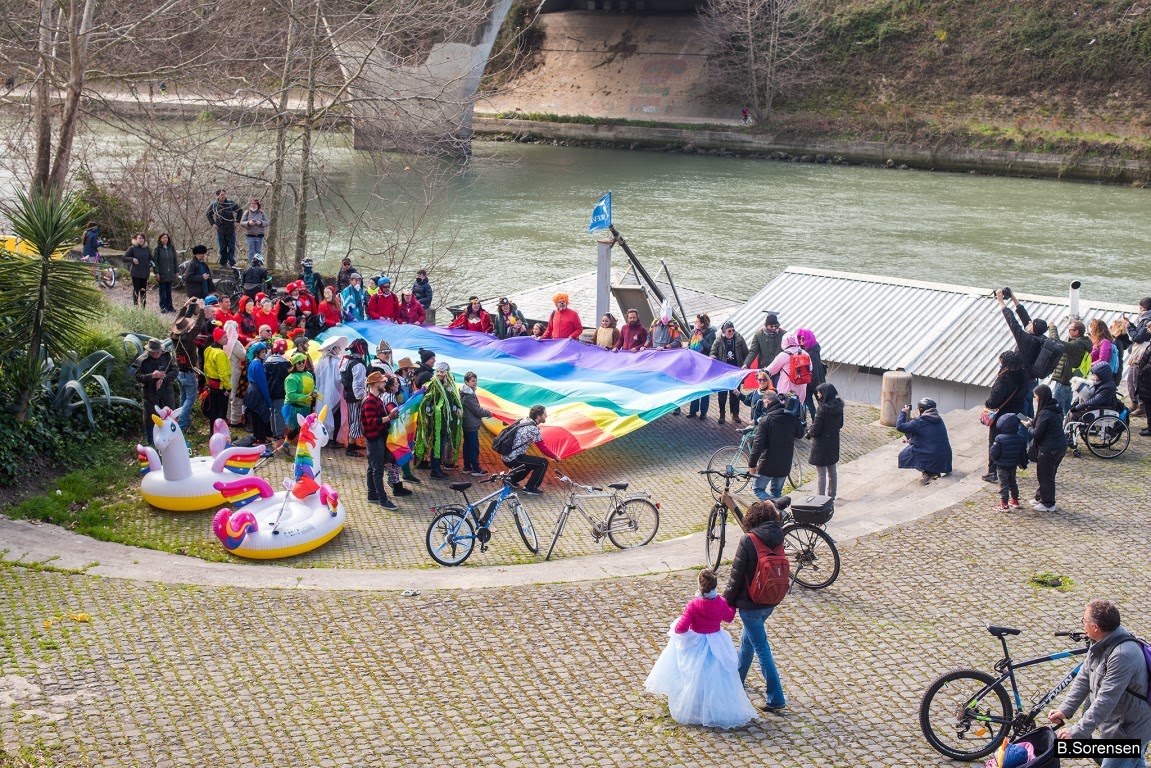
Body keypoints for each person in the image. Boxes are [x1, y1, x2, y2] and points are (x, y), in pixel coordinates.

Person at [644, 568, 758, 728]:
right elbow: (729, 617)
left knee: (694, 674)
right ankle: (711, 705)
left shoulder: (693, 604)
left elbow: (680, 628)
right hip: (716, 642)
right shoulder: (720, 602)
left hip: (697, 643)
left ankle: (693, 703)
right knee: (714, 676)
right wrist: (731, 605)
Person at [1048, 599, 1151, 766]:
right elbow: (1084, 676)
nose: (1083, 624)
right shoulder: (1100, 642)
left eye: (1084, 620)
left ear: (1096, 627)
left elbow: (1106, 700)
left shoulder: (1122, 656)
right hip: (1119, 725)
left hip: (1129, 732)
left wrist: (1077, 732)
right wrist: (1065, 709)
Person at [723, 500, 787, 713]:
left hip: (751, 604)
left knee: (761, 648)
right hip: (771, 600)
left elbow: (735, 576)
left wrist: (725, 603)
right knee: (747, 642)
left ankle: (776, 698)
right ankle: (736, 681)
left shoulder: (748, 540)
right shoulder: (779, 536)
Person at [997, 289, 1050, 417]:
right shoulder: (1041, 338)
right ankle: (1030, 426)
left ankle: (1023, 428)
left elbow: (1012, 322)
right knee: (1029, 406)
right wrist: (1013, 298)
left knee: (1022, 410)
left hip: (1023, 381)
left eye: (1031, 323)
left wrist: (1001, 302)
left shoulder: (1026, 341)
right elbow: (1025, 317)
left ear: (1032, 329)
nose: (1029, 322)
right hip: (1033, 380)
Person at [982, 351, 1029, 483]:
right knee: (1012, 441)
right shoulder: (1023, 375)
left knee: (995, 442)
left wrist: (987, 404)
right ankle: (1011, 469)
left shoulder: (1004, 378)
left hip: (1002, 416)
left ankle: (992, 471)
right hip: (1018, 413)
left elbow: (994, 400)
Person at [748, 393, 804, 500]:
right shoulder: (791, 417)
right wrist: (797, 418)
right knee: (776, 492)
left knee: (757, 489)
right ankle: (777, 508)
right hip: (785, 463)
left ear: (767, 402)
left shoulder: (765, 420)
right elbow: (800, 434)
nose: (764, 406)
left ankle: (773, 506)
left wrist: (752, 464)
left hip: (767, 464)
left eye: (764, 403)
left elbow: (758, 445)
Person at [415, 361, 463, 479]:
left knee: (441, 445)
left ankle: (436, 468)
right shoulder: (432, 384)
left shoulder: (449, 385)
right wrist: (431, 410)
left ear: (447, 373)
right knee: (438, 445)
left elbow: (452, 400)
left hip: (446, 422)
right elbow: (427, 401)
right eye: (438, 371)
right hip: (437, 422)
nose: (440, 374)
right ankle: (435, 470)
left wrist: (456, 408)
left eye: (442, 372)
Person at [361, 371, 399, 510]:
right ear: (376, 384)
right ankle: (383, 499)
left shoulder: (376, 399)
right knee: (377, 470)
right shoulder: (370, 401)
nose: (384, 384)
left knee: (372, 468)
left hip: (376, 438)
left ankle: (372, 494)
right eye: (382, 382)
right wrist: (389, 417)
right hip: (374, 438)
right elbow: (371, 421)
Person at [897, 397, 953, 484]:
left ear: (921, 409)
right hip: (945, 460)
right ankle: (934, 471)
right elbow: (929, 436)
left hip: (932, 456)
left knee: (905, 455)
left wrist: (904, 412)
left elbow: (900, 426)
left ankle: (929, 473)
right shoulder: (939, 420)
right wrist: (912, 440)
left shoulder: (919, 421)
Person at [1029, 384, 1066, 511]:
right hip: (1059, 446)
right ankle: (1040, 497)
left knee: (1045, 476)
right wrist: (1033, 423)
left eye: (1036, 397)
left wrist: (1029, 427)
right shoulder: (1055, 409)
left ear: (1041, 397)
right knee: (1049, 474)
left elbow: (1037, 434)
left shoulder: (1045, 413)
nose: (1035, 399)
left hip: (1049, 450)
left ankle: (1048, 503)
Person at [134, 338, 176, 445]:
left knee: (169, 417)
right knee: (151, 420)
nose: (157, 354)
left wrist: (163, 378)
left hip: (166, 393)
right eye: (154, 352)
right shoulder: (143, 361)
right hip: (150, 395)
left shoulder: (166, 356)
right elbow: (138, 377)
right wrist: (152, 376)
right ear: (149, 351)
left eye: (158, 351)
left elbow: (175, 371)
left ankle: (172, 441)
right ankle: (152, 443)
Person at [498, 405, 548, 495]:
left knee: (529, 462)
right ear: (538, 416)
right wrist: (556, 457)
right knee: (543, 463)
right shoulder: (533, 429)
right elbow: (543, 448)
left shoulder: (523, 420)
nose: (546, 416)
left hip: (506, 456)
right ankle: (530, 488)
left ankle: (511, 480)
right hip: (514, 459)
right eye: (544, 414)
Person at [806, 382, 843, 498]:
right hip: (833, 442)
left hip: (821, 444)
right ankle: (831, 496)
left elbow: (816, 428)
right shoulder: (839, 407)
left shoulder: (822, 409)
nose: (818, 395)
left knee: (821, 473)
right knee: (832, 471)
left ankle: (820, 498)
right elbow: (840, 424)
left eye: (819, 392)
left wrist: (809, 434)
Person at [170, 302, 202, 434]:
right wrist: (202, 310)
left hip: (180, 371)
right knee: (190, 399)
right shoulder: (188, 338)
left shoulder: (173, 336)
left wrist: (185, 306)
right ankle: (182, 423)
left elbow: (179, 320)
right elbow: (198, 325)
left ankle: (184, 421)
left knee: (183, 398)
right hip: (188, 372)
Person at [1048, 319, 1091, 415]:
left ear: (1076, 332)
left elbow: (1057, 343)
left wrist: (1052, 328)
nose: (1068, 331)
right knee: (1066, 410)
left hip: (1063, 382)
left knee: (1055, 409)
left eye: (1070, 329)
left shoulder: (1077, 345)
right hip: (1069, 382)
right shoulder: (1082, 343)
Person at [711, 321, 748, 425]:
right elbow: (712, 352)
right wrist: (713, 357)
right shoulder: (719, 340)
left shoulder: (739, 339)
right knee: (722, 394)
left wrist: (745, 364)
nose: (731, 332)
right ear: (724, 332)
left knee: (735, 393)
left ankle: (735, 414)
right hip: (723, 372)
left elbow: (746, 353)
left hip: (736, 371)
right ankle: (722, 414)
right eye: (729, 331)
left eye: (733, 330)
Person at [990, 412, 1027, 511]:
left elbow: (993, 453)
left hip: (1002, 466)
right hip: (1013, 465)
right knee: (1013, 482)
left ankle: (1004, 504)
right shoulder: (1020, 438)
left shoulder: (999, 438)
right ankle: (1015, 500)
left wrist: (995, 460)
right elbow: (1023, 453)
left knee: (1004, 484)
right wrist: (1023, 464)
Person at [314, 335, 347, 447]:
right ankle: (332, 440)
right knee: (336, 415)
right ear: (333, 349)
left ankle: (323, 437)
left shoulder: (321, 361)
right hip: (334, 392)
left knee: (323, 413)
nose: (339, 350)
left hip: (322, 392)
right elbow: (338, 379)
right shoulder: (336, 362)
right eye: (337, 347)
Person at [765, 330, 810, 405]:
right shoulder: (805, 353)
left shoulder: (783, 355)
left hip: (786, 390)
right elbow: (810, 368)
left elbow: (770, 370)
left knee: (785, 409)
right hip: (801, 389)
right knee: (799, 408)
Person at [460, 372, 492, 477]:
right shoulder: (469, 396)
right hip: (471, 424)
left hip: (467, 423)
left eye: (476, 380)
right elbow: (477, 410)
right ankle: (476, 469)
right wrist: (488, 413)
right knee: (474, 447)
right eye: (473, 381)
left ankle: (467, 466)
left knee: (467, 446)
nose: (475, 383)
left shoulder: (465, 393)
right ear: (466, 382)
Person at [341, 338, 369, 457]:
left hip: (348, 394)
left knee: (353, 420)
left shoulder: (347, 360)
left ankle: (352, 444)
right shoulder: (358, 365)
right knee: (355, 421)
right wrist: (361, 397)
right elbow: (357, 384)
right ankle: (350, 448)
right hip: (355, 397)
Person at [243, 342, 273, 449]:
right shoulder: (259, 365)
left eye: (265, 351)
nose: (265, 354)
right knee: (259, 416)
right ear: (256, 353)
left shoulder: (252, 363)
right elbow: (263, 384)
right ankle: (260, 438)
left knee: (255, 416)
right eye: (262, 352)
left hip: (251, 391)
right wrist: (268, 401)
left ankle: (258, 437)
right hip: (257, 393)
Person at [686, 314, 716, 420]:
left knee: (704, 389)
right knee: (694, 388)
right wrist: (688, 348)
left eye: (697, 322)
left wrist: (702, 339)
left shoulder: (711, 333)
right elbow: (689, 344)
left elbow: (712, 348)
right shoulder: (693, 332)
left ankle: (703, 412)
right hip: (694, 364)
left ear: (702, 324)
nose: (695, 323)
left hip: (705, 365)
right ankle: (693, 410)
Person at [283, 352, 316, 445]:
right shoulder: (291, 378)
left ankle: (302, 446)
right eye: (299, 362)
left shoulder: (308, 374)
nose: (302, 364)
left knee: (305, 428)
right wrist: (306, 397)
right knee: (296, 429)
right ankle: (285, 445)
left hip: (306, 406)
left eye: (303, 362)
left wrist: (315, 391)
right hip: (295, 407)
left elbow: (313, 386)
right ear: (294, 364)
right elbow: (291, 395)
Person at [264, 338, 291, 450]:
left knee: (272, 412)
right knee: (279, 413)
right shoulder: (285, 362)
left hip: (269, 390)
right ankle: (280, 434)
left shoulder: (267, 361)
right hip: (280, 391)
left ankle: (274, 432)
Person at [202, 327, 232, 425]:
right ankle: (220, 432)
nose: (227, 339)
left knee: (213, 411)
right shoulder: (220, 353)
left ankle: (212, 431)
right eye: (224, 337)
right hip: (221, 386)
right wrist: (228, 388)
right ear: (218, 339)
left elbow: (206, 368)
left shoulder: (208, 349)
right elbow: (223, 373)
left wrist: (207, 383)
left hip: (211, 384)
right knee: (221, 412)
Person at [744, 312, 785, 383]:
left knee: (778, 389)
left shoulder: (784, 334)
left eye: (775, 326)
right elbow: (753, 352)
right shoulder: (759, 335)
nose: (774, 328)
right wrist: (746, 363)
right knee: (764, 389)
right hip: (764, 369)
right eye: (771, 326)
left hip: (779, 369)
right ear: (766, 325)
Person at [796, 328, 826, 421]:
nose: (801, 341)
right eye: (799, 338)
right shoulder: (808, 349)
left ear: (808, 339)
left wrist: (816, 385)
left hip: (813, 381)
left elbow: (814, 371)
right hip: (809, 381)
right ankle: (816, 421)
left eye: (803, 339)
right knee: (809, 402)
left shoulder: (812, 352)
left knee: (818, 403)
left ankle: (817, 421)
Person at [206, 189, 241, 268]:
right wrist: (213, 224)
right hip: (220, 229)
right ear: (217, 195)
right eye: (222, 194)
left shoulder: (230, 203)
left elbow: (240, 210)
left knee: (231, 247)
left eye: (224, 194)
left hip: (230, 228)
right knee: (222, 247)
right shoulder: (215, 205)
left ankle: (231, 263)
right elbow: (208, 214)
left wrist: (237, 221)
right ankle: (223, 263)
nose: (223, 196)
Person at [123, 232, 152, 308]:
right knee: (136, 290)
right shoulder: (132, 248)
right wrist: (132, 259)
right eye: (139, 238)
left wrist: (150, 263)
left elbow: (151, 258)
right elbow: (124, 258)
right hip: (136, 273)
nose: (141, 240)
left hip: (145, 272)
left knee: (143, 290)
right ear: (136, 239)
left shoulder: (146, 249)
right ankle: (135, 307)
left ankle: (143, 308)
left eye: (142, 238)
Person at [153, 233, 178, 313]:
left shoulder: (171, 248)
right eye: (163, 238)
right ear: (160, 239)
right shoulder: (157, 249)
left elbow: (175, 260)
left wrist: (176, 271)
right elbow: (155, 262)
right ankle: (163, 307)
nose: (165, 239)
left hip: (170, 273)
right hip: (161, 273)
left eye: (166, 238)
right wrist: (156, 272)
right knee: (162, 291)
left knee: (169, 291)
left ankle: (170, 306)